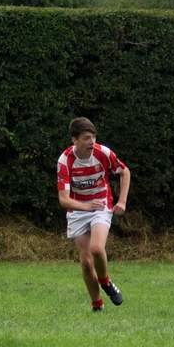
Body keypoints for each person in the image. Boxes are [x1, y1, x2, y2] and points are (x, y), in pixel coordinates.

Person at [56, 117, 130, 313]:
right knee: (87, 264)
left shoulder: (103, 153)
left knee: (97, 248)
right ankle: (97, 304)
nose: (92, 142)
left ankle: (105, 281)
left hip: (100, 205)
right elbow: (64, 200)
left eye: (93, 137)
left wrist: (122, 201)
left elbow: (125, 172)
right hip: (78, 210)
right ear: (74, 140)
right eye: (86, 138)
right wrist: (85, 206)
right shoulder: (65, 161)